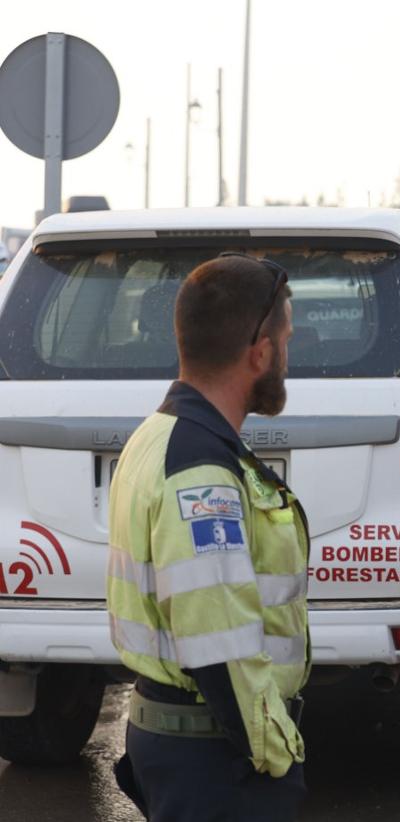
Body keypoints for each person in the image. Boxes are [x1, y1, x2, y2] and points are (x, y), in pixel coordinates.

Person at [107, 252, 309, 821]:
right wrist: (275, 758)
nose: (286, 360)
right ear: (261, 353)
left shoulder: (161, 432)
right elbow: (216, 643)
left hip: (184, 742)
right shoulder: (200, 470)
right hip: (216, 757)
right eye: (286, 342)